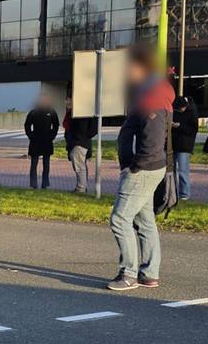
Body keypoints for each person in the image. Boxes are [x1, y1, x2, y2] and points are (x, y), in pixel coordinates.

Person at [108, 44, 175, 291]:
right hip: (148, 166)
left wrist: (134, 166)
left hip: (143, 169)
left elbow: (153, 138)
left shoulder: (153, 95)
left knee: (119, 218)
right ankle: (150, 273)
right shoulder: (150, 91)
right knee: (144, 219)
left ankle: (128, 273)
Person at [24, 93, 60, 189]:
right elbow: (27, 125)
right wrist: (31, 136)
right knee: (34, 164)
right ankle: (33, 183)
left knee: (46, 164)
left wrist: (52, 136)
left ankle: (45, 183)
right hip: (35, 141)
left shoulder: (51, 112)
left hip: (47, 141)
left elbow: (56, 125)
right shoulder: (33, 112)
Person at [63, 97, 98, 194]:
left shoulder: (81, 114)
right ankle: (82, 187)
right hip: (77, 142)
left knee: (79, 166)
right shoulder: (72, 113)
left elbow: (93, 130)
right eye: (66, 100)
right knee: (80, 165)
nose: (66, 102)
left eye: (69, 100)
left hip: (79, 142)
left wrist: (82, 137)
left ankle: (81, 188)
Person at [171, 95, 199, 201]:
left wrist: (179, 126)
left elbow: (192, 130)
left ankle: (184, 194)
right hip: (172, 143)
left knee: (183, 171)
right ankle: (171, 191)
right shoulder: (173, 111)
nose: (180, 110)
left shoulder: (192, 112)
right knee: (170, 170)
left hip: (184, 145)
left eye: (181, 108)